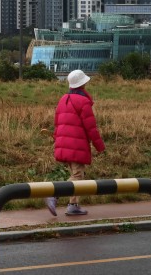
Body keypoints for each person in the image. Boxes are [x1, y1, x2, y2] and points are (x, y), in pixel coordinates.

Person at [45, 69, 105, 216]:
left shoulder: (63, 99)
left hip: (64, 143)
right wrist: (99, 146)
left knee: (76, 174)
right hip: (76, 145)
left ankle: (73, 205)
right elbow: (91, 127)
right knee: (78, 176)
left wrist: (57, 139)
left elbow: (57, 123)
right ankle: (54, 195)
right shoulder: (83, 102)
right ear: (83, 84)